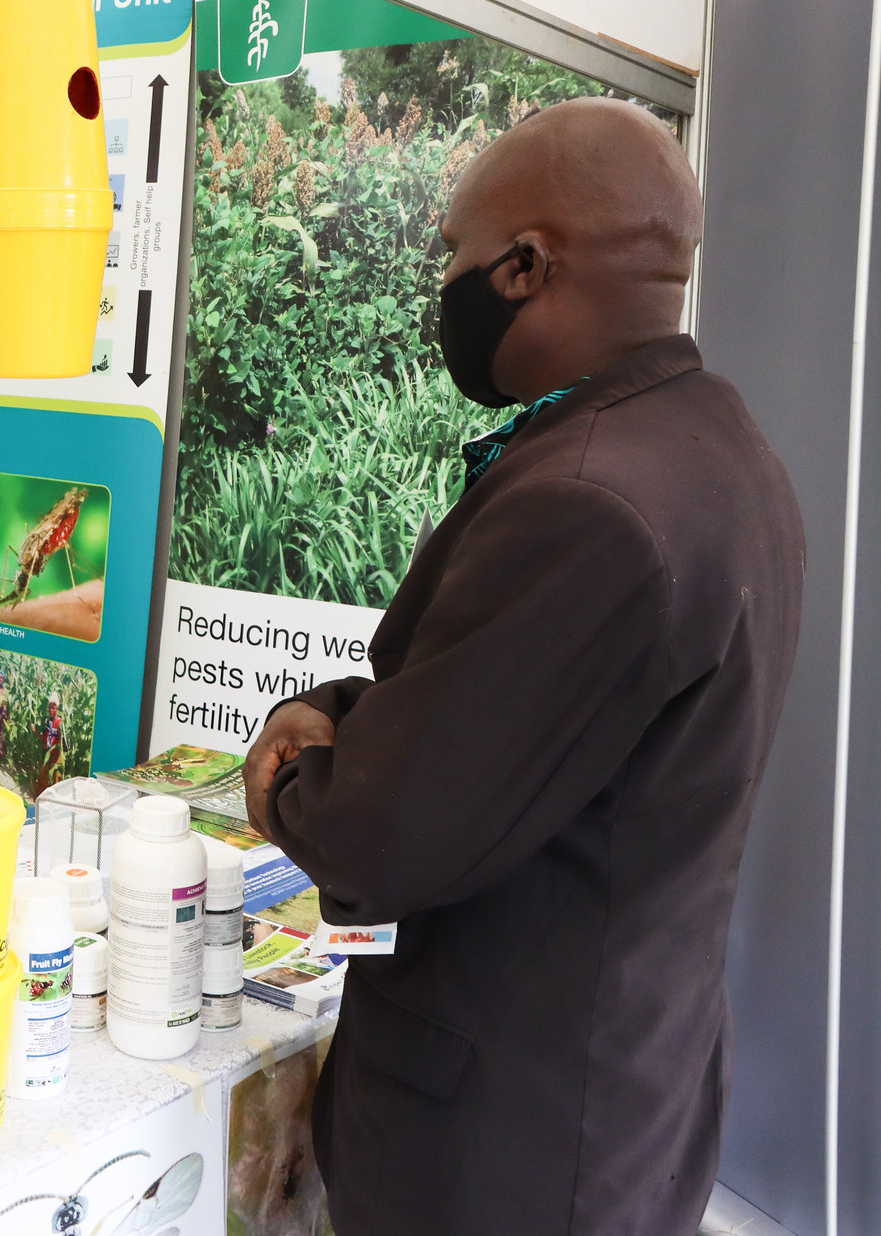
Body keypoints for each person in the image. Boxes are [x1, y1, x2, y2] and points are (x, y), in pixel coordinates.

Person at [241, 98, 804, 1236]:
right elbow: (541, 718)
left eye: (452, 250)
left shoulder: (586, 503)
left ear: (523, 266)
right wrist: (345, 707)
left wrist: (289, 777)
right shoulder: (722, 450)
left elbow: (382, 835)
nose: (440, 281)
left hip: (503, 1151)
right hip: (624, 1089)